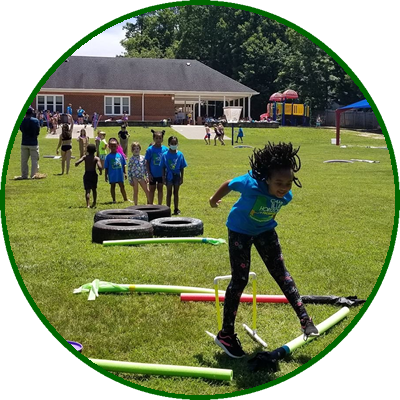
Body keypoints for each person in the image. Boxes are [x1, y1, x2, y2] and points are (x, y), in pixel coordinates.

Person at [209, 142, 319, 358]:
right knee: (239, 280)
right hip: (239, 230)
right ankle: (226, 334)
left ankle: (305, 320)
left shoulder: (286, 197)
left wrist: (266, 224)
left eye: (288, 183)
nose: (284, 188)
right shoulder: (250, 184)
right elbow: (229, 183)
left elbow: (271, 211)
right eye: (278, 183)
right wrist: (214, 200)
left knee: (282, 274)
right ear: (266, 179)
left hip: (265, 230)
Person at [161, 136, 187, 215]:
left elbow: (182, 167)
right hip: (169, 176)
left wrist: (182, 177)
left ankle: (176, 209)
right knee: (169, 193)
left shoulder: (180, 154)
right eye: (172, 143)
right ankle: (167, 209)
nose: (174, 145)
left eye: (175, 143)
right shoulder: (165, 155)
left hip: (177, 176)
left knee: (176, 192)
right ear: (169, 144)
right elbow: (162, 167)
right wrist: (163, 177)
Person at [75, 143, 102, 208]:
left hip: (87, 174)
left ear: (87, 150)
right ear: (95, 150)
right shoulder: (96, 158)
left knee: (87, 190)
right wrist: (100, 171)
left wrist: (77, 163)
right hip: (93, 174)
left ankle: (88, 204)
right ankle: (94, 201)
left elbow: (78, 161)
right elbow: (100, 166)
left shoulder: (85, 157)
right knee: (94, 189)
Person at [145, 130, 168, 205]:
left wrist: (165, 174)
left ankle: (160, 205)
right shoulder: (150, 149)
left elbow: (166, 162)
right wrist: (149, 173)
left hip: (161, 174)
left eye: (160, 138)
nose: (158, 140)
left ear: (162, 139)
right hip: (153, 174)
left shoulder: (165, 149)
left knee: (160, 189)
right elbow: (147, 162)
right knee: (152, 189)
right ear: (154, 139)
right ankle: (151, 205)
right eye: (157, 138)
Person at [16, 108, 40, 180]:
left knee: (24, 160)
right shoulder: (36, 121)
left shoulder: (22, 121)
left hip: (24, 142)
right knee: (34, 160)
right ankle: (33, 175)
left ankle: (24, 175)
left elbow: (21, 129)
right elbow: (37, 131)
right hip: (33, 143)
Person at [104, 137, 129, 203]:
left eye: (114, 146)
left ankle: (125, 198)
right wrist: (105, 175)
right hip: (112, 175)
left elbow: (123, 164)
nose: (113, 148)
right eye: (111, 146)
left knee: (122, 186)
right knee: (113, 186)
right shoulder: (108, 157)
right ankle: (114, 200)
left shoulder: (120, 155)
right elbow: (106, 167)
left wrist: (125, 173)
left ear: (117, 146)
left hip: (119, 174)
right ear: (109, 147)